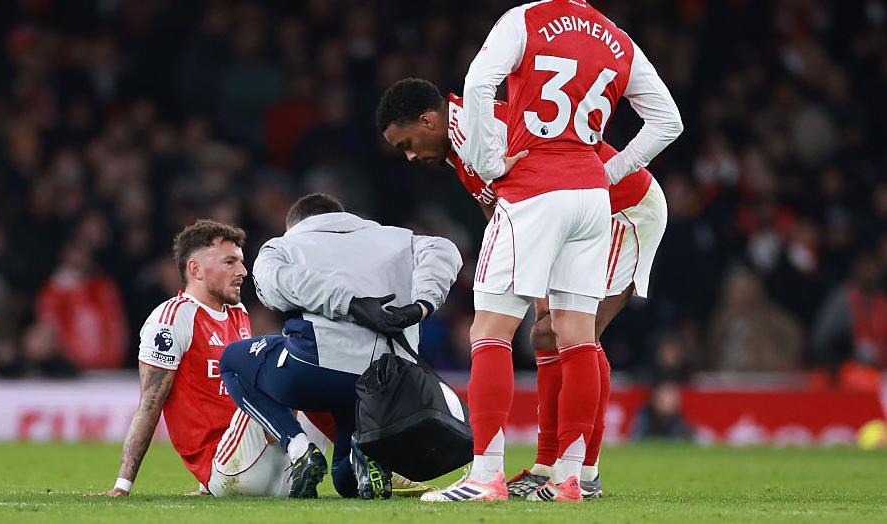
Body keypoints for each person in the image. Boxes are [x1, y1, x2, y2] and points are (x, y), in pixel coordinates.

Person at [414, 0, 682, 502]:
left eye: (406, 142)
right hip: (590, 197)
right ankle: (560, 475)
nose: (409, 155)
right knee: (561, 334)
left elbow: (478, 82)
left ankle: (513, 474)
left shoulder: (523, 24)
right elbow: (668, 120)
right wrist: (604, 173)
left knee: (500, 330)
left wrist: (489, 159)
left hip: (616, 204)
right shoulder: (614, 36)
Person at [218, 193, 462, 499]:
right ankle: (366, 454)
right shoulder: (401, 239)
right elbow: (445, 249)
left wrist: (351, 303)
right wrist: (422, 305)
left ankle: (298, 448)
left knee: (231, 360)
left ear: (296, 224)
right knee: (346, 483)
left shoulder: (282, 245)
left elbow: (275, 285)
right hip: (388, 385)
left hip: (318, 372)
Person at [90, 220, 292, 498]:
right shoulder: (172, 319)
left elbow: (226, 401)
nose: (243, 272)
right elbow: (150, 404)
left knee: (316, 372)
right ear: (195, 269)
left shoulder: (239, 314)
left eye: (241, 262)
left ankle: (347, 468)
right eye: (230, 262)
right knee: (291, 371)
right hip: (229, 470)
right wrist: (122, 486)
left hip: (270, 472)